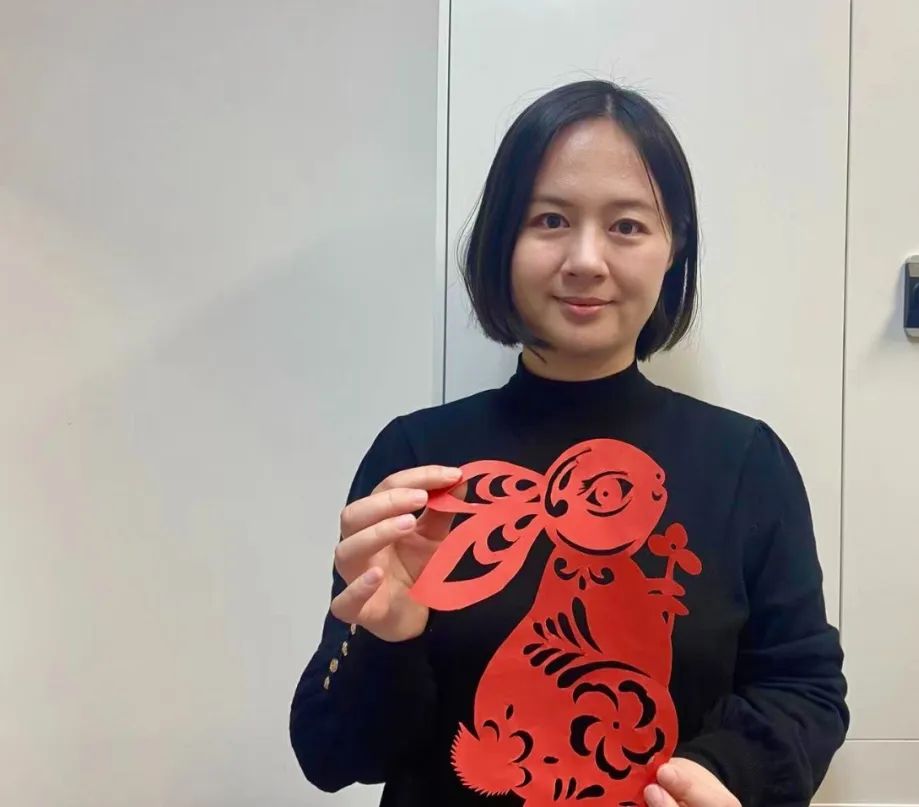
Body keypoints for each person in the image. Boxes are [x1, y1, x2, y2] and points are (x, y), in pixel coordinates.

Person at [289, 79, 849, 807]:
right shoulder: (418, 458)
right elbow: (331, 755)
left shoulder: (745, 462)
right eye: (550, 219)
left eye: (627, 226)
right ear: (503, 240)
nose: (586, 259)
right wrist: (386, 637)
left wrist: (719, 773)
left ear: (673, 247)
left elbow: (804, 687)